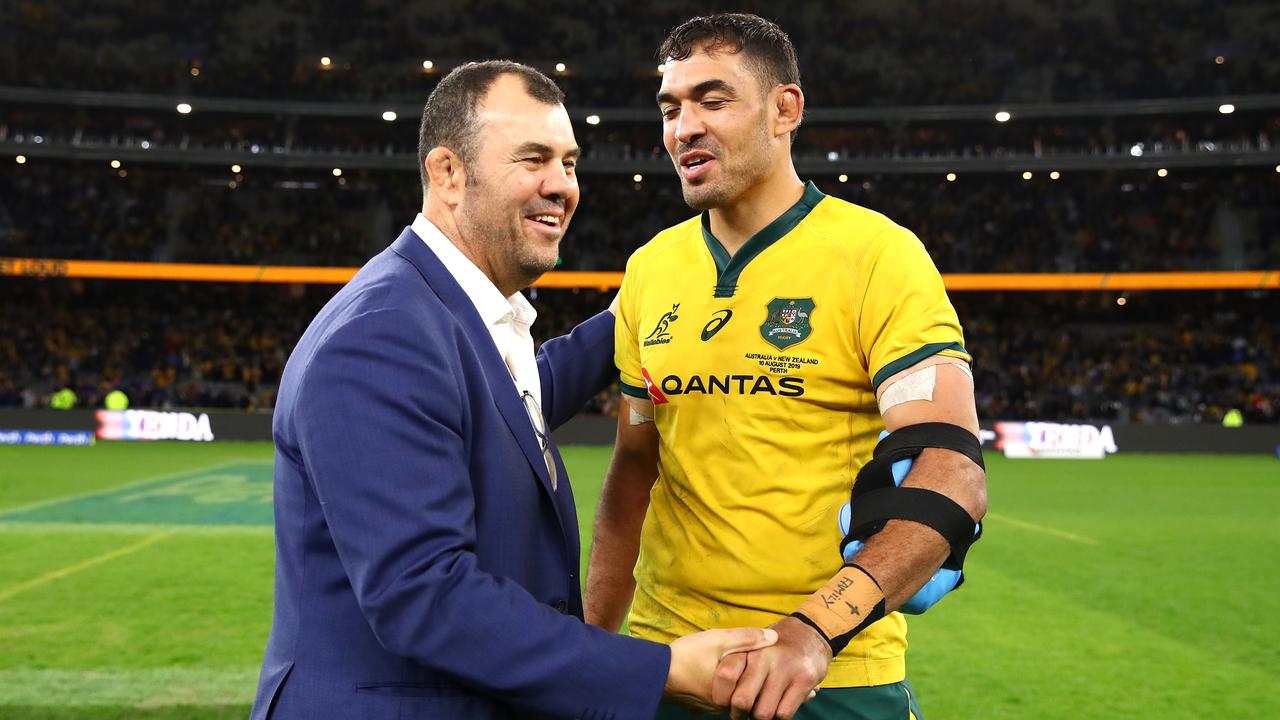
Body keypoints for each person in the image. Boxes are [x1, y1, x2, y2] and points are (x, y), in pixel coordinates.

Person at [250, 60, 777, 720]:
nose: (561, 186)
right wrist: (664, 668)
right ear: (448, 174)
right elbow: (425, 597)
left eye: (569, 162)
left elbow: (515, 407)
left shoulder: (451, 312)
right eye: (533, 160)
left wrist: (637, 313)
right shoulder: (384, 334)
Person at [586, 14, 988, 720]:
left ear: (785, 110)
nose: (683, 128)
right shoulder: (649, 269)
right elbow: (634, 467)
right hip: (669, 665)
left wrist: (813, 632)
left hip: (827, 673)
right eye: (671, 107)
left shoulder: (876, 256)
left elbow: (949, 470)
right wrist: (590, 650)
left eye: (713, 100)